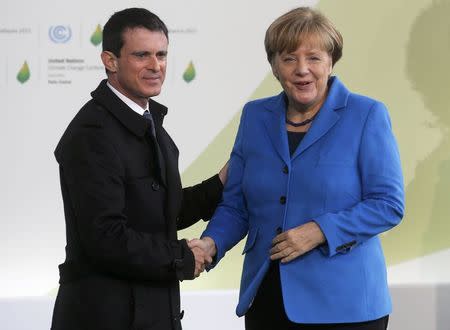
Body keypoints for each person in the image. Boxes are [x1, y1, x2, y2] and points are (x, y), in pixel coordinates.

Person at [189, 6, 404, 330]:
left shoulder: (366, 114)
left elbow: (388, 205)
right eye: (289, 58)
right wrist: (210, 244)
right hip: (267, 300)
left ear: (330, 61)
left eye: (314, 58)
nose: (302, 69)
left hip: (346, 306)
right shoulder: (254, 117)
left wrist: (319, 231)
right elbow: (237, 205)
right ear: (274, 67)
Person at [51, 8, 227, 330]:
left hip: (151, 312)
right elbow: (105, 238)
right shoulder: (92, 134)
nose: (156, 65)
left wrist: (219, 184)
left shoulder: (150, 123)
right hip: (105, 317)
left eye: (161, 54)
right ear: (110, 60)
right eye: (142, 55)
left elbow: (157, 213)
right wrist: (182, 256)